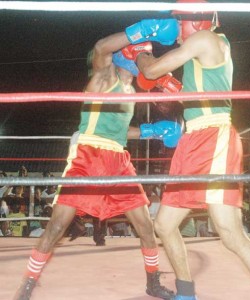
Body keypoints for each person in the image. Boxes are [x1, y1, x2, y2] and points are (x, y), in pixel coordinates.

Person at [14, 19, 181, 300]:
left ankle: (152, 282)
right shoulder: (106, 78)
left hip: (118, 159)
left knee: (145, 226)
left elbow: (119, 132)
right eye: (147, 53)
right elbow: (101, 47)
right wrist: (144, 28)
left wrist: (152, 131)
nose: (150, 60)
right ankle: (28, 284)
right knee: (57, 226)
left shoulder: (130, 94)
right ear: (133, 53)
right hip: (88, 156)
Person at [134, 1, 250, 299]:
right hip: (193, 140)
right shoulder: (199, 48)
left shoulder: (205, 39)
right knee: (164, 225)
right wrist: (176, 90)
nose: (176, 31)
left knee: (229, 233)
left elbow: (150, 72)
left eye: (179, 23)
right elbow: (195, 94)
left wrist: (138, 50)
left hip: (214, 137)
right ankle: (186, 293)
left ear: (198, 21)